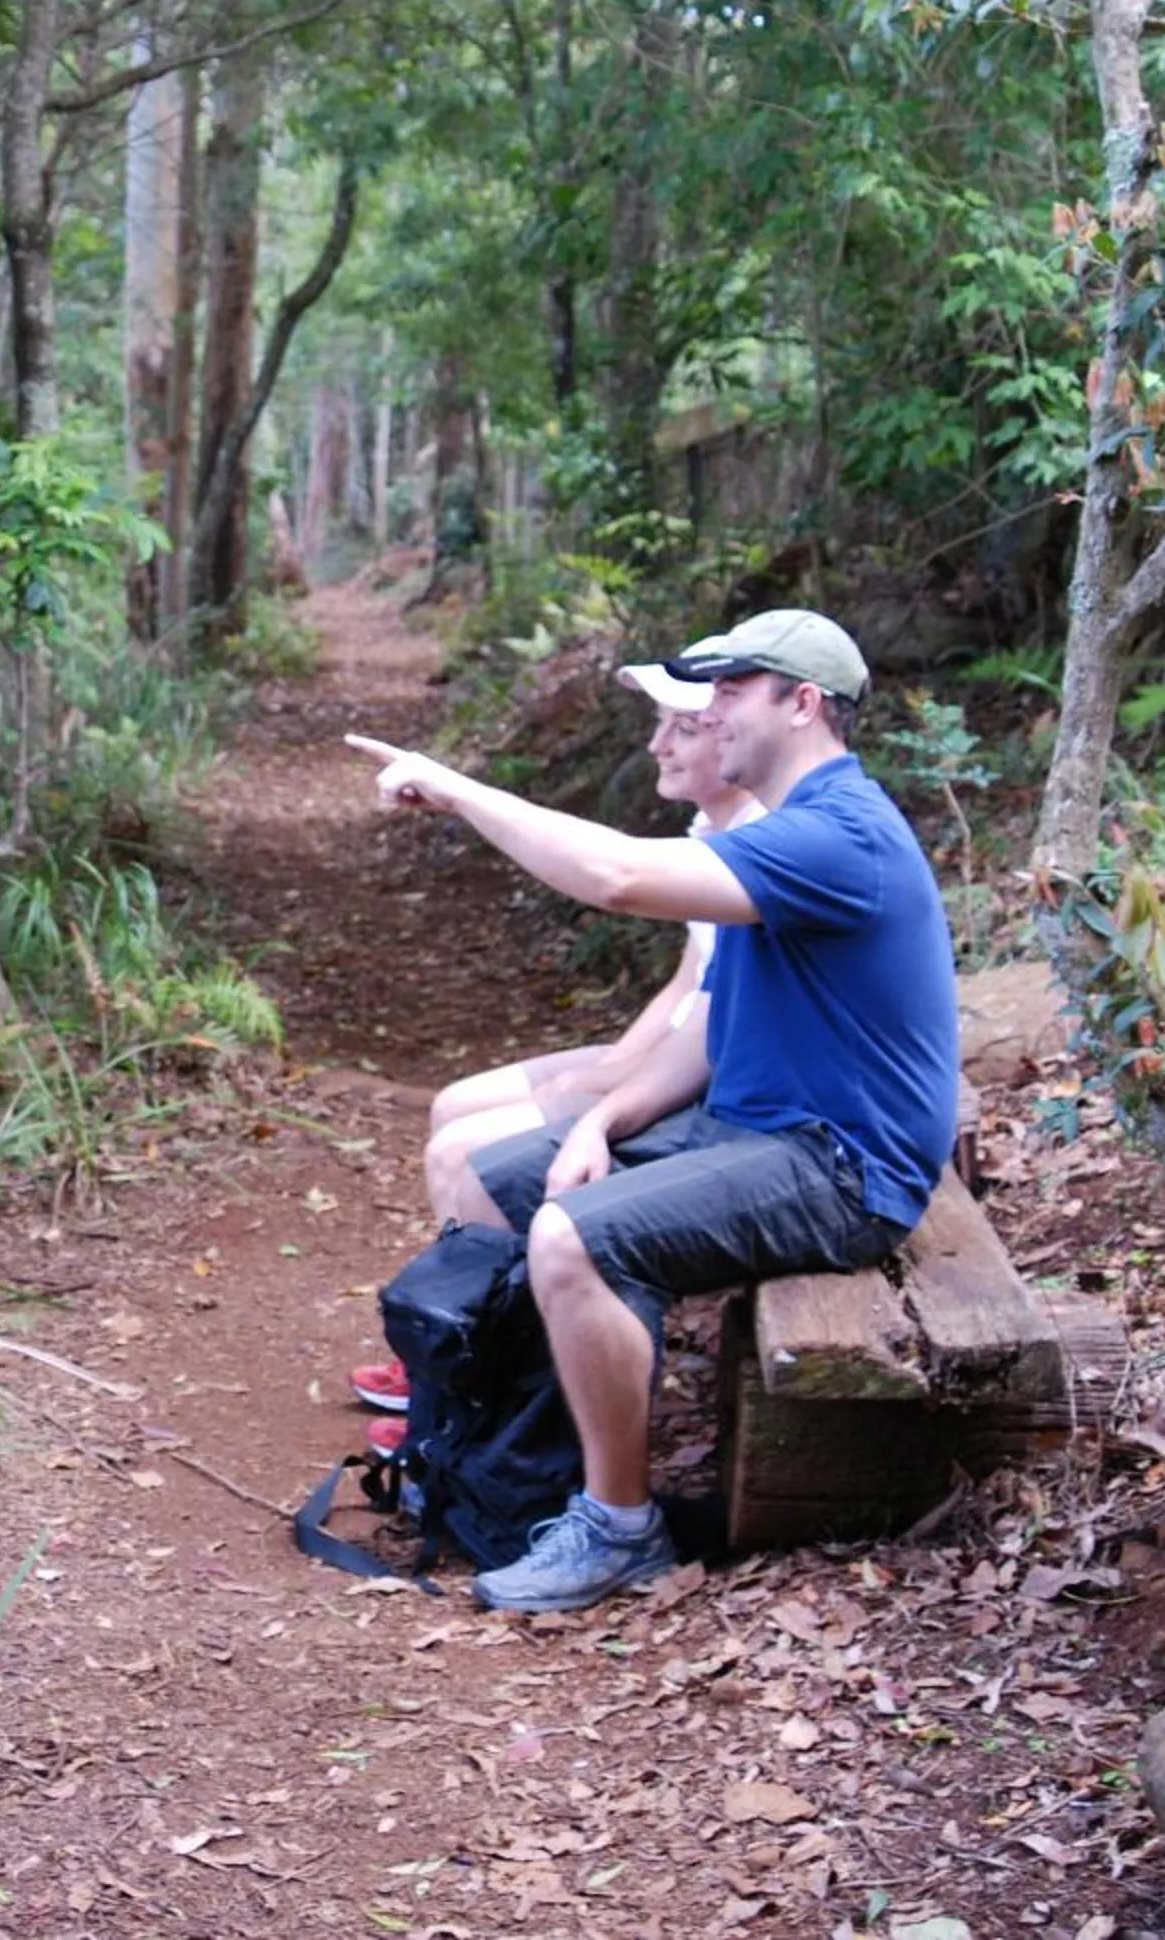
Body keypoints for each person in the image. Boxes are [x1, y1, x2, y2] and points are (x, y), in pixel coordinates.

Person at [347, 609, 959, 1613]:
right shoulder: (778, 833)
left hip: (844, 1168)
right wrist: (601, 1120)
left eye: (731, 694)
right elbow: (711, 1034)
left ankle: (617, 1526)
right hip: (758, 1131)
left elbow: (617, 876)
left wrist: (458, 791)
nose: (709, 716)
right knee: (498, 1181)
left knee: (573, 1237)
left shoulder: (840, 834)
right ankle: (500, 1457)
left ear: (802, 704)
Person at [350, 653, 762, 1425]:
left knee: (462, 1154)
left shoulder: (761, 844)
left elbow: (710, 1011)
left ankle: (473, 1375)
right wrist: (611, 1065)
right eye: (662, 726)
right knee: (454, 1105)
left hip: (705, 1084)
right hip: (674, 1056)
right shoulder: (713, 825)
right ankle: (459, 1336)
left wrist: (610, 1097)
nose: (659, 747)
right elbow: (687, 982)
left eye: (685, 728)